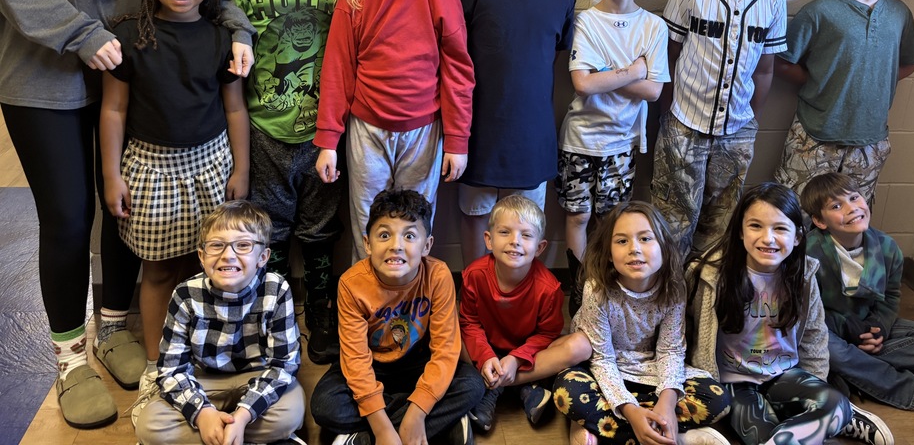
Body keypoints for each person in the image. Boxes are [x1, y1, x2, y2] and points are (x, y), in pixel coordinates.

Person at [0, 0, 253, 429]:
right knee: (67, 216)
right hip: (43, 69)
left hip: (140, 73)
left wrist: (236, 29)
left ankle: (114, 327)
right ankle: (68, 355)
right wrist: (80, 33)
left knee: (124, 205)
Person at [99, 0, 250, 418]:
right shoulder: (128, 38)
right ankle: (156, 364)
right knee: (160, 269)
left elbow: (234, 109)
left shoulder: (222, 39)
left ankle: (196, 355)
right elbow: (113, 110)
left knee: (202, 266)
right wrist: (111, 176)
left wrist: (242, 169)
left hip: (211, 165)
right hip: (150, 170)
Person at [229, 0, 353, 364]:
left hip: (327, 131)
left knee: (321, 230)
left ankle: (322, 313)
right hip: (266, 128)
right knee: (272, 230)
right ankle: (276, 315)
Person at [314, 0, 475, 262]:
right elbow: (338, 67)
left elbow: (458, 71)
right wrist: (328, 139)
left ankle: (411, 295)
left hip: (423, 129)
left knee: (415, 222)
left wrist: (457, 140)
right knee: (368, 222)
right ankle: (367, 294)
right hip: (367, 128)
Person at [686, 183, 894, 445]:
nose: (768, 238)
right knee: (761, 433)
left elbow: (814, 337)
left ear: (797, 237)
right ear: (740, 231)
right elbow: (687, 331)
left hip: (784, 374)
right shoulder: (709, 274)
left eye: (780, 228)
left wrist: (817, 386)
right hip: (734, 382)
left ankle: (837, 414)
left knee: (836, 403)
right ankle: (828, 422)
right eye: (755, 226)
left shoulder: (803, 275)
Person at [650, 0, 787, 260]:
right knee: (673, 218)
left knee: (721, 222)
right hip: (684, 122)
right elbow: (668, 55)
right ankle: (670, 289)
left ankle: (703, 290)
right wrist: (667, 113)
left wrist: (751, 119)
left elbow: (766, 68)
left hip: (738, 130)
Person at [457, 0, 576, 265]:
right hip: (479, 131)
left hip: (531, 136)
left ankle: (516, 292)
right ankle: (474, 290)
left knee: (523, 224)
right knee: (476, 216)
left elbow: (559, 57)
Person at [310, 188, 485, 445]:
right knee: (324, 405)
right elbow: (355, 361)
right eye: (384, 235)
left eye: (410, 236)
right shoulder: (350, 284)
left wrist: (418, 411)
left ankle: (367, 435)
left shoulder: (438, 275)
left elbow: (446, 351)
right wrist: (382, 428)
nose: (396, 246)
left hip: (419, 363)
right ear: (367, 244)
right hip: (371, 365)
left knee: (472, 384)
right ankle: (435, 424)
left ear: (426, 246)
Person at [553, 201, 731, 445]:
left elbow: (670, 350)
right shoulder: (596, 289)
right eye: (622, 241)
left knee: (718, 399)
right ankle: (673, 437)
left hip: (650, 371)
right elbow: (602, 359)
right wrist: (630, 411)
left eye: (645, 238)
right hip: (604, 373)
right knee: (567, 392)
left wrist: (666, 404)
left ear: (664, 248)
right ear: (608, 253)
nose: (634, 249)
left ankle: (617, 431)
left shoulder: (673, 287)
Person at [774, 0, 914, 206]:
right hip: (814, 137)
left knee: (851, 219)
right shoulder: (818, 12)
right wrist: (817, 81)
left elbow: (909, 63)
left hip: (870, 142)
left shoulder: (899, 14)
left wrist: (877, 79)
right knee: (796, 211)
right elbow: (781, 62)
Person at [557, 0, 668, 309]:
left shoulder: (653, 26)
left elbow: (654, 92)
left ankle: (603, 290)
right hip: (579, 140)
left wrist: (607, 75)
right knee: (578, 215)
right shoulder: (586, 21)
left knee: (610, 222)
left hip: (622, 143)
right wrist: (634, 70)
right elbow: (584, 84)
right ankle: (580, 289)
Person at [135, 200, 304, 445]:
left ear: (263, 257)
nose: (228, 255)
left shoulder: (277, 289)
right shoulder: (185, 294)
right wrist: (202, 414)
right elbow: (172, 369)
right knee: (149, 426)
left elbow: (284, 364)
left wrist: (244, 415)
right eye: (216, 245)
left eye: (243, 245)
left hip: (257, 375)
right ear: (202, 257)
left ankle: (224, 434)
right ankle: (231, 435)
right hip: (204, 379)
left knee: (291, 412)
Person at [800, 172, 914, 411]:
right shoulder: (809, 254)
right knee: (829, 350)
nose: (852, 208)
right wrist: (847, 327)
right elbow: (806, 313)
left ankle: (849, 372)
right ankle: (910, 385)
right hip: (830, 330)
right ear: (819, 221)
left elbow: (891, 297)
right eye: (836, 206)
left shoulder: (888, 248)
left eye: (854, 198)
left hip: (868, 326)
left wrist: (879, 328)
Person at [459, 195, 592, 432]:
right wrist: (485, 356)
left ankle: (497, 386)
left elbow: (547, 335)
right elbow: (470, 324)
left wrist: (516, 359)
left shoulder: (549, 288)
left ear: (540, 247)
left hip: (528, 355)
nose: (515, 241)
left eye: (526, 235)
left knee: (580, 346)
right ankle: (523, 387)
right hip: (485, 348)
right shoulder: (474, 275)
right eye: (504, 232)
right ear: (488, 240)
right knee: (449, 331)